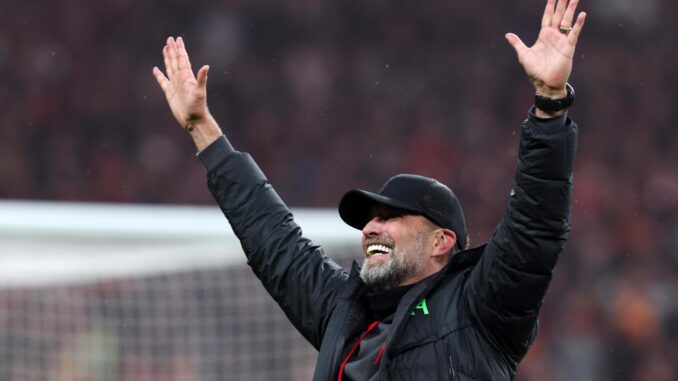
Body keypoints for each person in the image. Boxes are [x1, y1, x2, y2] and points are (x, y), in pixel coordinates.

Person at [152, 0, 586, 379]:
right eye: (370, 220)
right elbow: (273, 240)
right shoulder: (344, 312)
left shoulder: (480, 308)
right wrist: (203, 130)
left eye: (391, 217)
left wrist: (549, 102)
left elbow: (535, 226)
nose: (372, 228)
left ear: (442, 241)